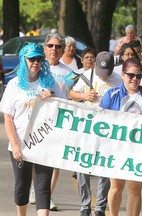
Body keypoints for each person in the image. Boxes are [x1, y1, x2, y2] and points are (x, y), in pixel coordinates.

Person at [0, 43, 66, 216]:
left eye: (39, 59)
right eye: (32, 59)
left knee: (43, 187)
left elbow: (66, 107)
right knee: (21, 186)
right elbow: (8, 118)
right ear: (24, 60)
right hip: (21, 143)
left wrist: (52, 96)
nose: (36, 62)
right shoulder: (14, 85)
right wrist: (14, 145)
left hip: (44, 143)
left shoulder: (50, 83)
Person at [100, 58, 142, 216]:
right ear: (122, 74)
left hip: (139, 150)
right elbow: (100, 124)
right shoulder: (111, 95)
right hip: (116, 149)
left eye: (139, 76)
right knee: (116, 188)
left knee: (135, 188)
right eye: (131, 75)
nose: (135, 79)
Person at [70, 51, 122, 216]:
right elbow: (72, 94)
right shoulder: (87, 76)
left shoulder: (119, 80)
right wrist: (84, 95)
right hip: (87, 128)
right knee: (82, 166)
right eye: (101, 73)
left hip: (108, 131)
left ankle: (100, 206)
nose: (104, 77)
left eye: (107, 74)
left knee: (104, 169)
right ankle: (85, 205)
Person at [43, 32, 72, 210]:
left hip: (58, 121)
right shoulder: (36, 65)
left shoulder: (69, 73)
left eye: (58, 46)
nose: (54, 49)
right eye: (51, 46)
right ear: (45, 48)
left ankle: (47, 195)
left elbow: (72, 97)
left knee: (54, 160)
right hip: (37, 121)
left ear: (63, 50)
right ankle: (35, 188)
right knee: (35, 158)